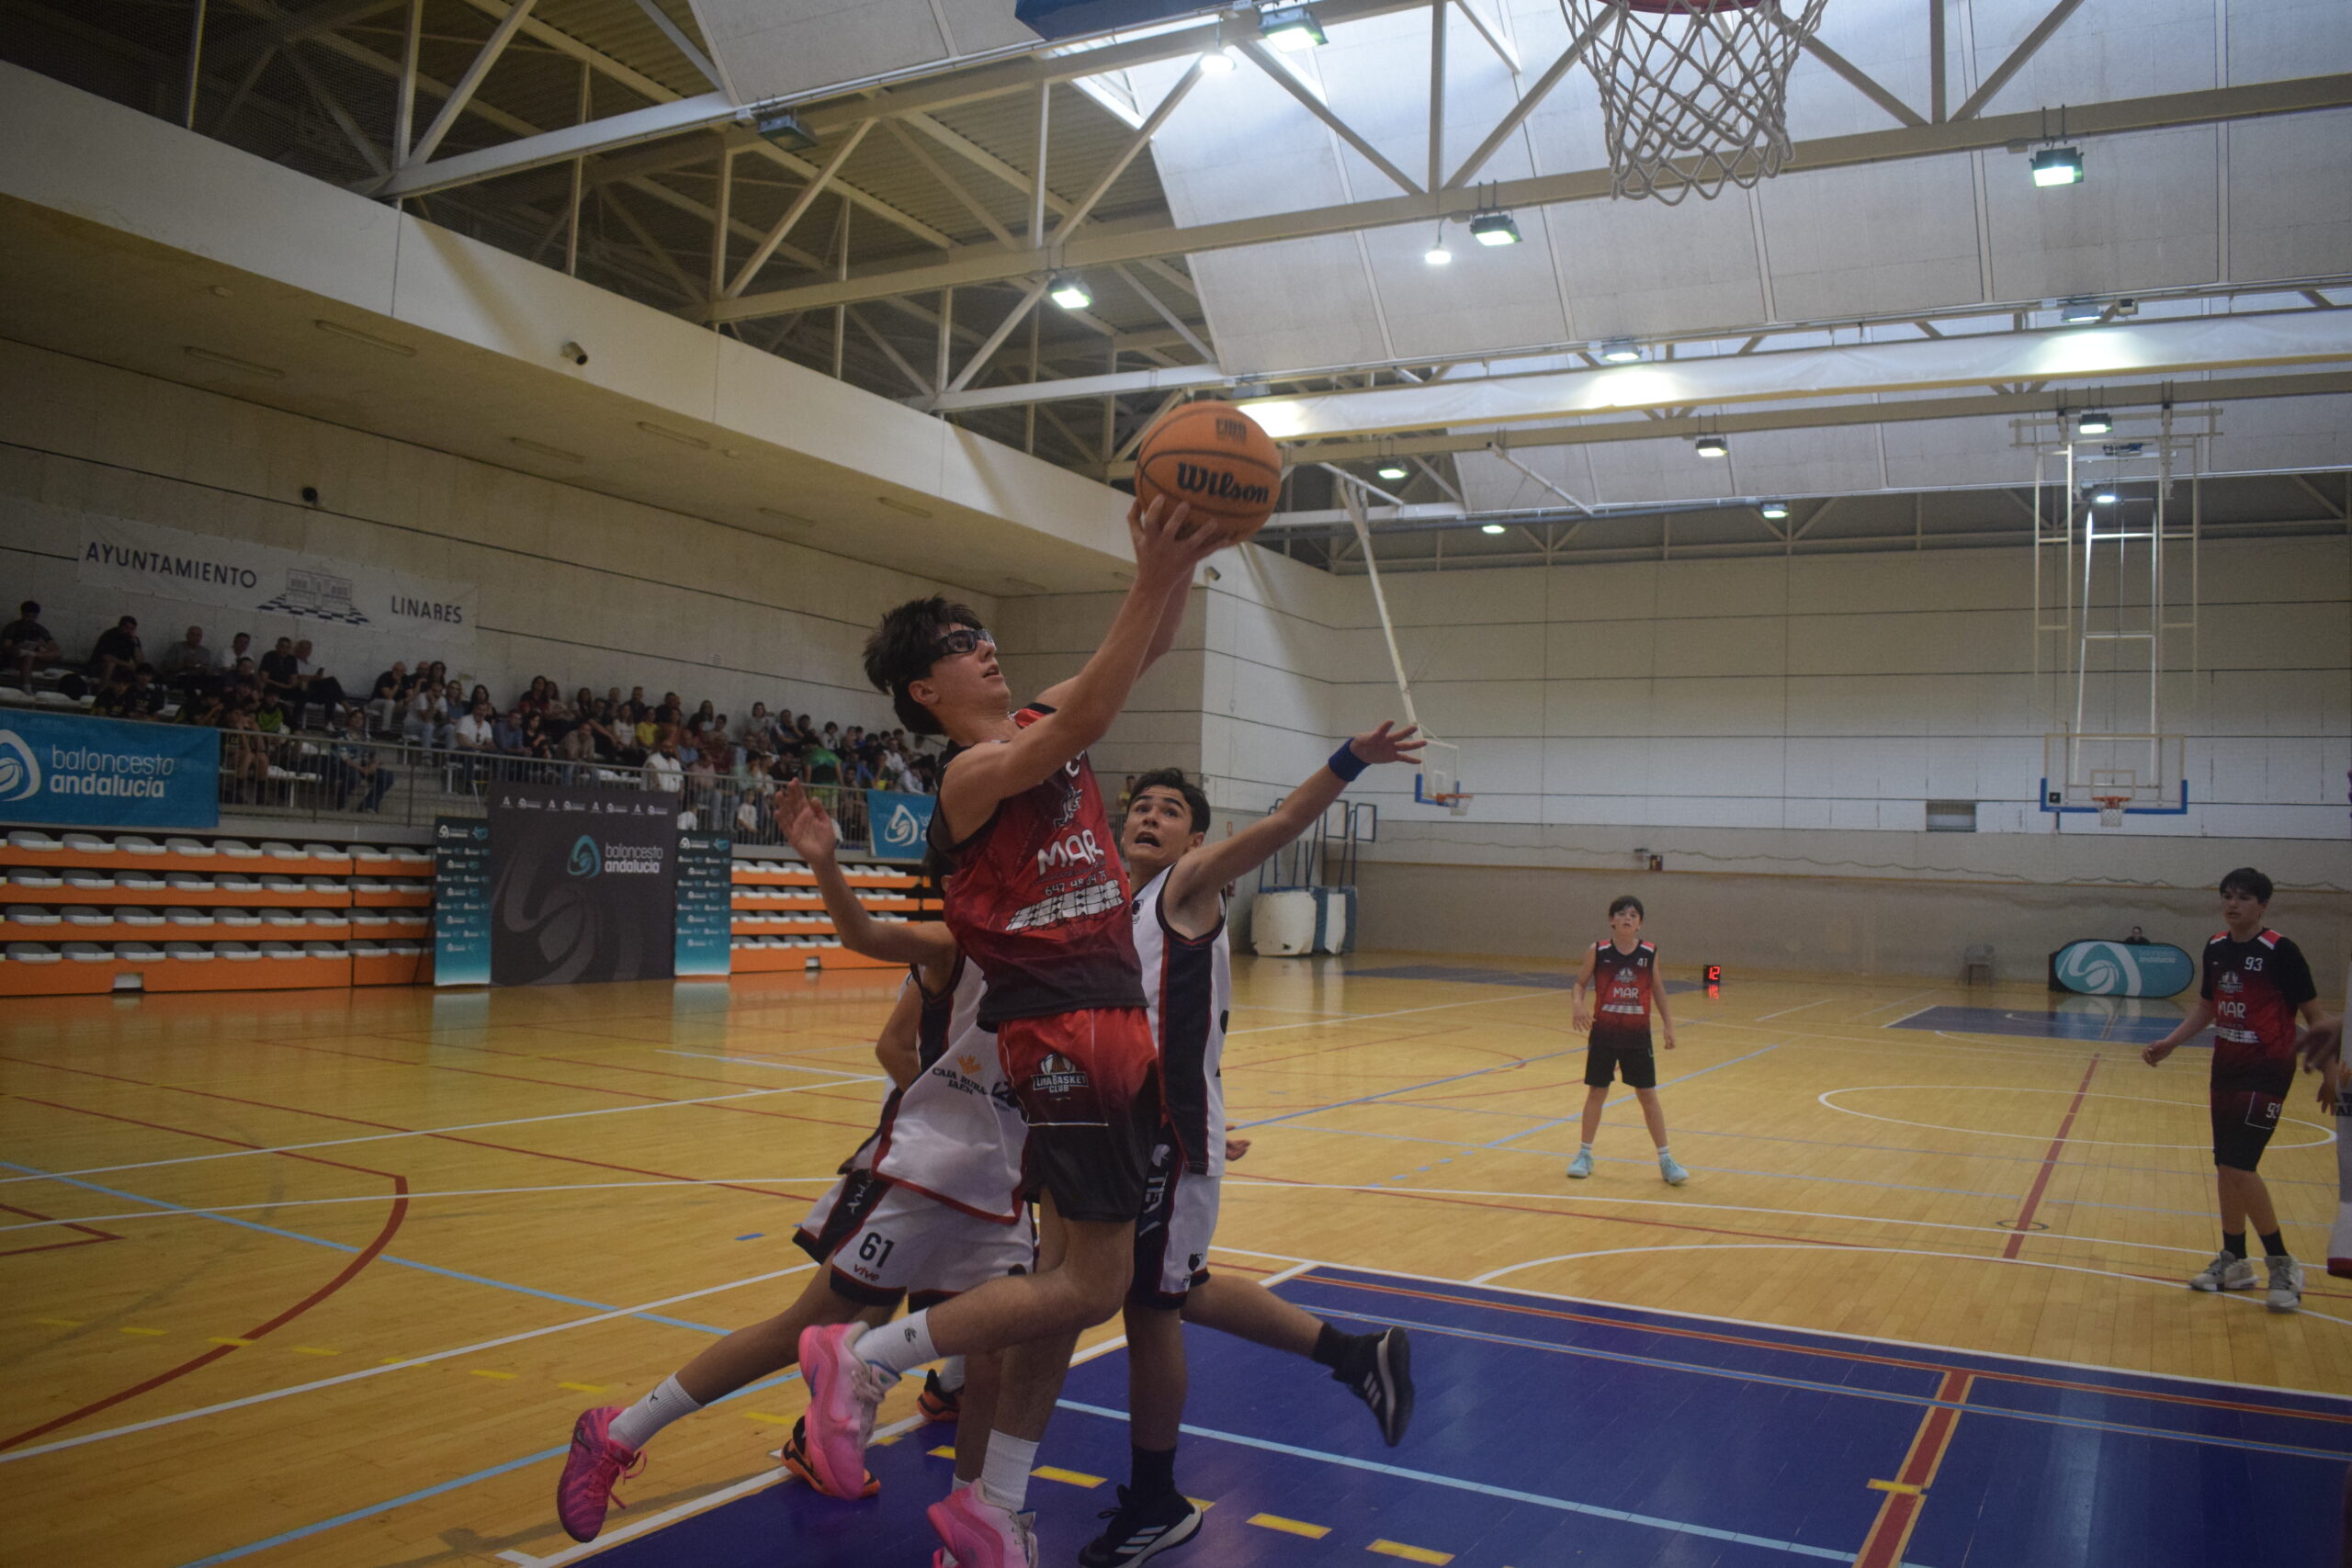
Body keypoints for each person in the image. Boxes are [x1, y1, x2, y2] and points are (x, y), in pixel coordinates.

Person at [797, 498, 1219, 1568]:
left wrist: (1174, 563)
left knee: (1069, 1294)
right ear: (921, 694)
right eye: (956, 647)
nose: (983, 649)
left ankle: (991, 1508)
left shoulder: (1030, 727)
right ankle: (868, 1358)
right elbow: (1086, 723)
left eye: (982, 634)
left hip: (1101, 1020)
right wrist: (1147, 574)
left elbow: (1146, 650)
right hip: (1067, 1023)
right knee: (1092, 1285)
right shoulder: (972, 776)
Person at [552, 780, 1030, 1543]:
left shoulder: (1061, 959)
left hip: (1001, 1188)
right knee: (806, 1327)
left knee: (997, 1358)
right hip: (921, 1173)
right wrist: (825, 867)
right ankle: (617, 1430)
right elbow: (867, 937)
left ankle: (971, 1527)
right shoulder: (951, 946)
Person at [1088, 744, 1423, 1564]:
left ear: (1200, 837)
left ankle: (1159, 1498)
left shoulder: (1188, 884)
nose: (1150, 814)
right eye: (1141, 804)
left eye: (1171, 808)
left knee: (1150, 1309)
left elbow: (1282, 822)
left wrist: (1350, 759)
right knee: (1179, 1289)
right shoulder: (1134, 906)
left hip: (1166, 1131)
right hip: (1155, 1126)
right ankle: (1354, 1353)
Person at [2143, 868, 2335, 1312]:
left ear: (2263, 905)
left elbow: (2315, 1016)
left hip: (2268, 1069)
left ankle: (2282, 1263)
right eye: (2227, 896)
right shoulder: (2215, 947)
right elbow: (2207, 1006)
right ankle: (2234, 1261)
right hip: (2226, 1065)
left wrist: (2329, 1072)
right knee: (2225, 1166)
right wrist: (2171, 1043)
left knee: (2241, 1164)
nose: (2233, 904)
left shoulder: (2281, 951)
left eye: (2243, 898)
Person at [1566, 896, 1689, 1186]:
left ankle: (1666, 1159)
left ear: (1640, 923)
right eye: (1621, 914)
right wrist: (1577, 1003)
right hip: (1604, 1035)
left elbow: (1658, 989)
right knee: (1597, 1091)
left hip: (1637, 1036)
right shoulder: (1598, 950)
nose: (1627, 918)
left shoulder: (1649, 952)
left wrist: (1669, 1025)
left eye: (1633, 915)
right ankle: (1584, 1154)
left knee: (1647, 1095)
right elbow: (1580, 983)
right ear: (1612, 920)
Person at [3, 600, 61, 682]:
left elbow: (55, 648)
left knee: (57, 653)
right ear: (22, 614)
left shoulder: (40, 629)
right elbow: (6, 647)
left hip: (35, 657)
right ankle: (27, 684)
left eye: (33, 617)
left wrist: (42, 644)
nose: (30, 619)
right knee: (23, 654)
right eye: (27, 616)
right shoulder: (12, 627)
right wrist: (20, 646)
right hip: (18, 657)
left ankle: (32, 655)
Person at [157, 626, 218, 692]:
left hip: (197, 680)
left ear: (201, 637)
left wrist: (199, 666)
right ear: (187, 636)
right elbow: (165, 666)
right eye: (192, 634)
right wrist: (183, 665)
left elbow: (208, 671)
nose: (195, 637)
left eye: (198, 635)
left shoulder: (205, 652)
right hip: (177, 679)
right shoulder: (177, 647)